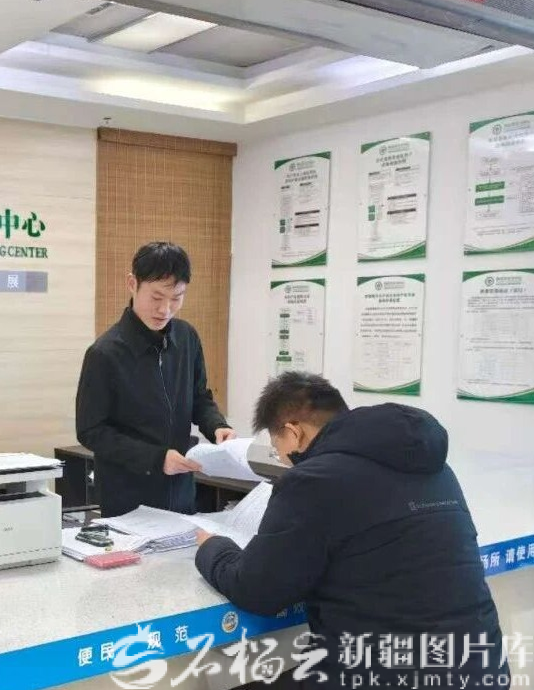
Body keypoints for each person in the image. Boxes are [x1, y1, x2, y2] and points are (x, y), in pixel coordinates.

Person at [195, 372, 509, 688]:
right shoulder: (436, 468)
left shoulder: (312, 480)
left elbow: (257, 590)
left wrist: (214, 548)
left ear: (294, 432)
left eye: (278, 449)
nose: (284, 460)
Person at [75, 241, 235, 517]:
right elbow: (91, 431)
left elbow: (199, 398)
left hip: (181, 491)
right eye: (157, 297)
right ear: (132, 284)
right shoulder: (105, 353)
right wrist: (156, 459)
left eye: (176, 298)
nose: (165, 309)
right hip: (128, 497)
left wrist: (217, 426)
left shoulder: (186, 338)